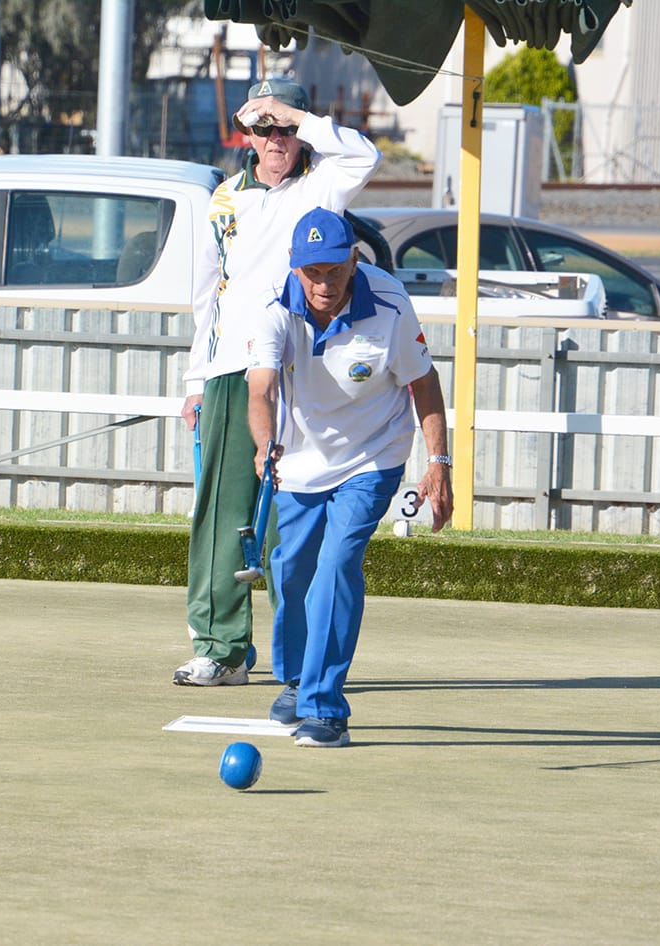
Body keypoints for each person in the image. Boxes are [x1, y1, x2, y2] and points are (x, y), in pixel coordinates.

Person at [174, 77, 383, 687]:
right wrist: (195, 379)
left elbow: (365, 155)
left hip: (305, 372)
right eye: (262, 129)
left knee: (296, 519)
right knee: (222, 511)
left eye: (284, 128)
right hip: (233, 370)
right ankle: (222, 649)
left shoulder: (324, 184)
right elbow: (208, 295)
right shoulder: (223, 199)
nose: (274, 140)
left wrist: (295, 115)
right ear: (248, 135)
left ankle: (301, 658)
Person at [245, 206, 452, 746]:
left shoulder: (390, 301)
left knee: (337, 565)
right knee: (291, 571)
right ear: (294, 267)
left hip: (373, 454)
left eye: (335, 270)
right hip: (299, 456)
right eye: (312, 272)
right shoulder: (270, 302)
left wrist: (438, 463)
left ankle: (325, 707)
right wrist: (264, 444)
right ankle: (297, 680)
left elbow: (423, 382)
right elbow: (261, 387)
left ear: (354, 260)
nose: (324, 284)